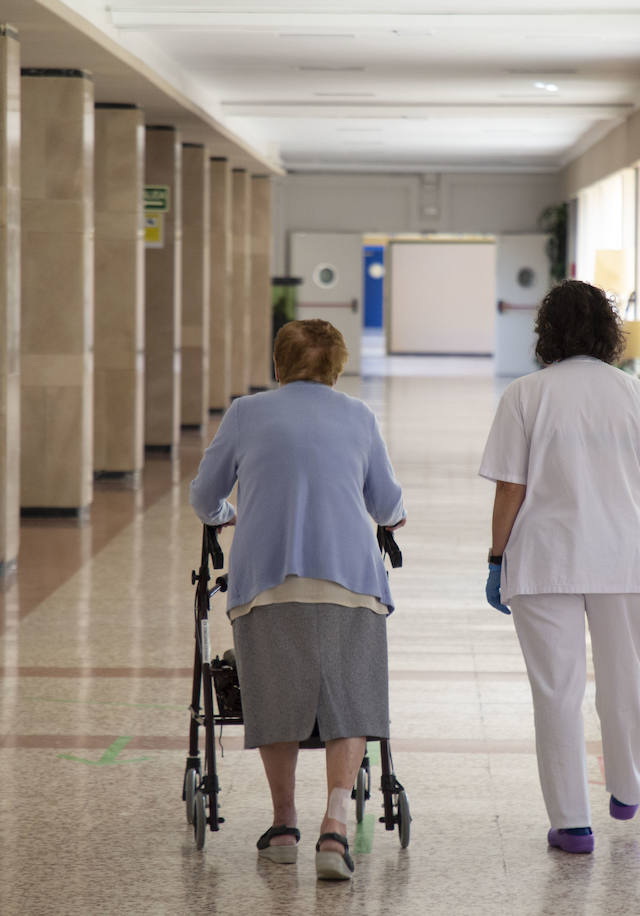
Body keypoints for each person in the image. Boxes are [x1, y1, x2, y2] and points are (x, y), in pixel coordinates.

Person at [189, 319, 406, 881]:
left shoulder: (245, 413)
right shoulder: (359, 416)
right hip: (349, 582)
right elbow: (387, 505)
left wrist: (225, 516)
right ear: (337, 369)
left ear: (278, 366)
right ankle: (335, 825)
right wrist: (392, 517)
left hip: (266, 580)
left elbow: (204, 496)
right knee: (351, 695)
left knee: (277, 695)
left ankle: (284, 824)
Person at [478, 279, 640, 855]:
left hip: (546, 560)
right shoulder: (636, 394)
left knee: (557, 690)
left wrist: (496, 559)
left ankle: (572, 824)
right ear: (608, 332)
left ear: (547, 332)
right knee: (624, 679)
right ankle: (626, 788)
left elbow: (511, 489)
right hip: (625, 558)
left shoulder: (525, 394)